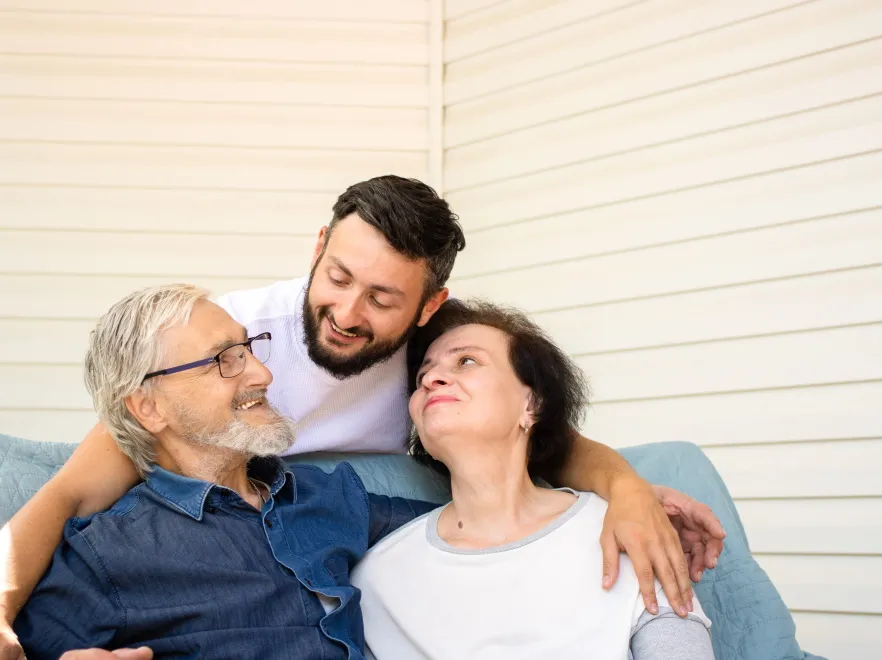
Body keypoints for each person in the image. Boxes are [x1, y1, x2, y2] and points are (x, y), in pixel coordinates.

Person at [0, 176, 724, 658]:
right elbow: (62, 497)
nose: (347, 314)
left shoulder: (422, 377)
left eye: (381, 299)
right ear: (318, 248)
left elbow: (524, 450)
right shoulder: (233, 328)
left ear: (426, 307)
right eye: (338, 278)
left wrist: (625, 493)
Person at [14, 284, 434, 659]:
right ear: (149, 408)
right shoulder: (105, 556)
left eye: (247, 350)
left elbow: (470, 527)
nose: (263, 374)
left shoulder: (326, 494)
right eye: (224, 360)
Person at [351, 299, 714, 659]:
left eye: (467, 361)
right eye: (421, 377)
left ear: (532, 404)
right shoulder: (380, 577)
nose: (431, 379)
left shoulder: (627, 530)